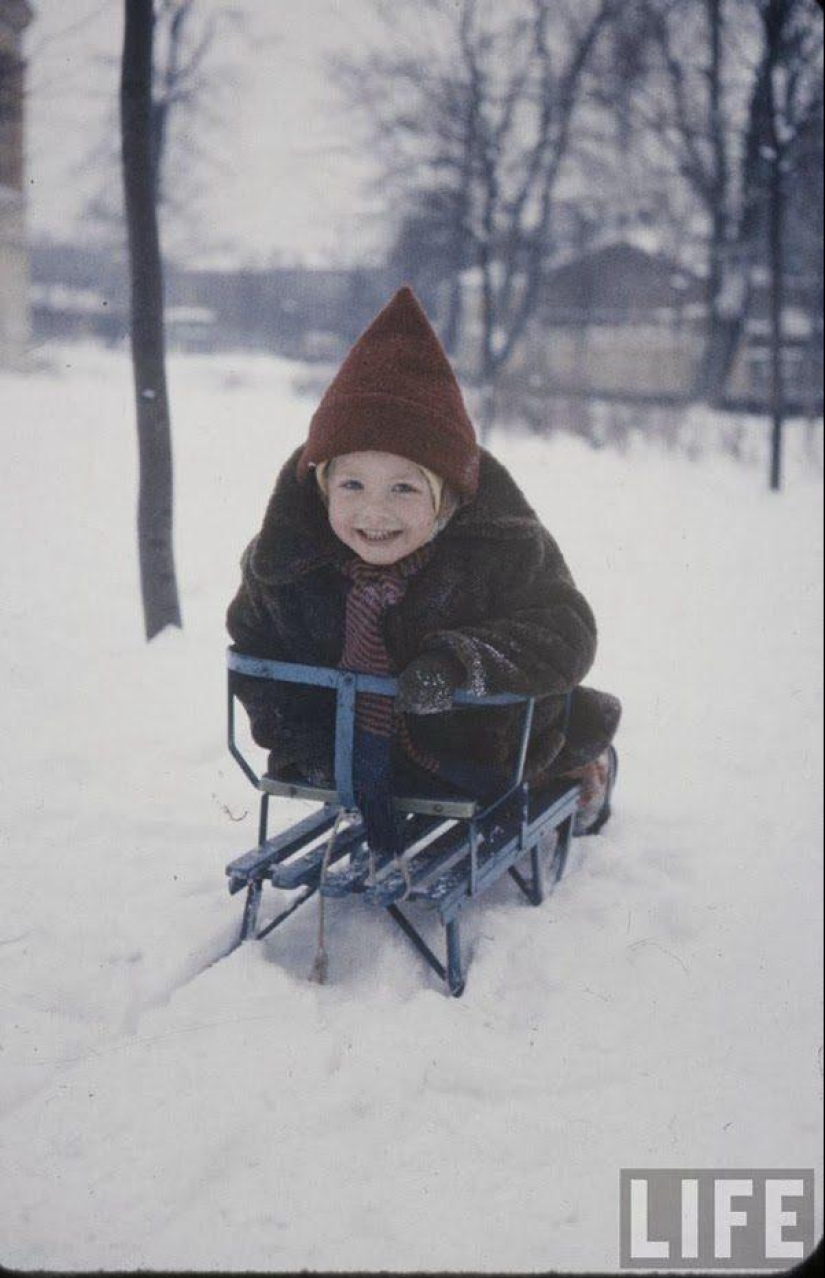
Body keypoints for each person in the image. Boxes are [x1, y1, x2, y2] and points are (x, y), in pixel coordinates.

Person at [226, 286, 620, 858]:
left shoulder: (501, 547)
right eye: (352, 485)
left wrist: (462, 663)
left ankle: (586, 771)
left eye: (405, 488)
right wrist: (302, 743)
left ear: (448, 499)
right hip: (345, 755)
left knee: (555, 758)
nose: (375, 512)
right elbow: (257, 652)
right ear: (321, 488)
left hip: (481, 752)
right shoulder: (286, 565)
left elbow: (566, 629)